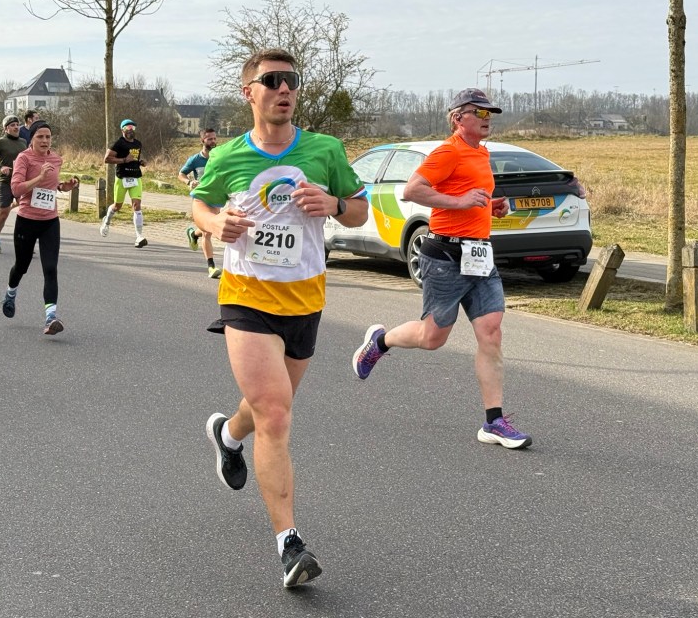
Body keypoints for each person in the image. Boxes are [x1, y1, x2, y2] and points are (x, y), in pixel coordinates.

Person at [191, 49, 368, 588]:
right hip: (246, 297)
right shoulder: (227, 156)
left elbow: (361, 208)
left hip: (305, 300)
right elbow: (199, 205)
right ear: (249, 92)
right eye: (272, 80)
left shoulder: (325, 149)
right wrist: (215, 222)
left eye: (291, 80)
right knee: (276, 413)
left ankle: (227, 434)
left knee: (269, 405)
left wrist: (334, 205)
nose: (284, 88)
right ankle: (290, 543)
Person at [350, 87, 532, 450]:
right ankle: (380, 341)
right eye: (480, 113)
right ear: (458, 118)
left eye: (490, 114)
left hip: (479, 255)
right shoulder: (448, 151)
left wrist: (488, 207)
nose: (487, 119)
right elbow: (413, 190)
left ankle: (494, 422)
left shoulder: (481, 152)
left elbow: (468, 197)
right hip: (446, 256)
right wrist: (460, 201)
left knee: (491, 333)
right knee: (433, 338)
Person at [1, 121, 80, 333]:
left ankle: (50, 318)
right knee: (22, 266)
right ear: (32, 139)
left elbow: (52, 185)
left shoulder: (56, 159)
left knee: (50, 268)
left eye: (48, 137)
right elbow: (16, 189)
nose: (45, 141)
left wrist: (64, 187)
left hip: (50, 221)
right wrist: (40, 177)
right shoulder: (23, 158)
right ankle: (10, 293)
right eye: (40, 137)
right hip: (27, 221)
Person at [179, 127, 222, 279]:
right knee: (207, 232)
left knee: (208, 228)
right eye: (210, 139)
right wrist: (189, 182)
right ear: (202, 140)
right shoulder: (195, 159)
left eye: (214, 138)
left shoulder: (219, 156)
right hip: (201, 198)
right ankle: (211, 267)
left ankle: (193, 234)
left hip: (216, 197)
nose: (213, 141)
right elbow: (181, 174)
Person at [99, 118, 147, 247]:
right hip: (122, 178)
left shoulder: (138, 143)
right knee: (117, 206)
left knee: (136, 205)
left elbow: (134, 159)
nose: (131, 130)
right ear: (122, 130)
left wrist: (140, 162)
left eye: (133, 128)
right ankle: (107, 221)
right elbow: (107, 159)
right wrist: (124, 160)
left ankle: (139, 237)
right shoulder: (118, 144)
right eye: (128, 127)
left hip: (136, 178)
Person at [0, 115, 27, 254]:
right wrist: (0, 167)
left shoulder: (23, 142)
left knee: (27, 212)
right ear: (6, 128)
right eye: (12, 125)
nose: (16, 127)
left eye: (17, 124)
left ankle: (26, 242)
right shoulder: (0, 142)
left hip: (20, 182)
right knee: (3, 214)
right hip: (5, 182)